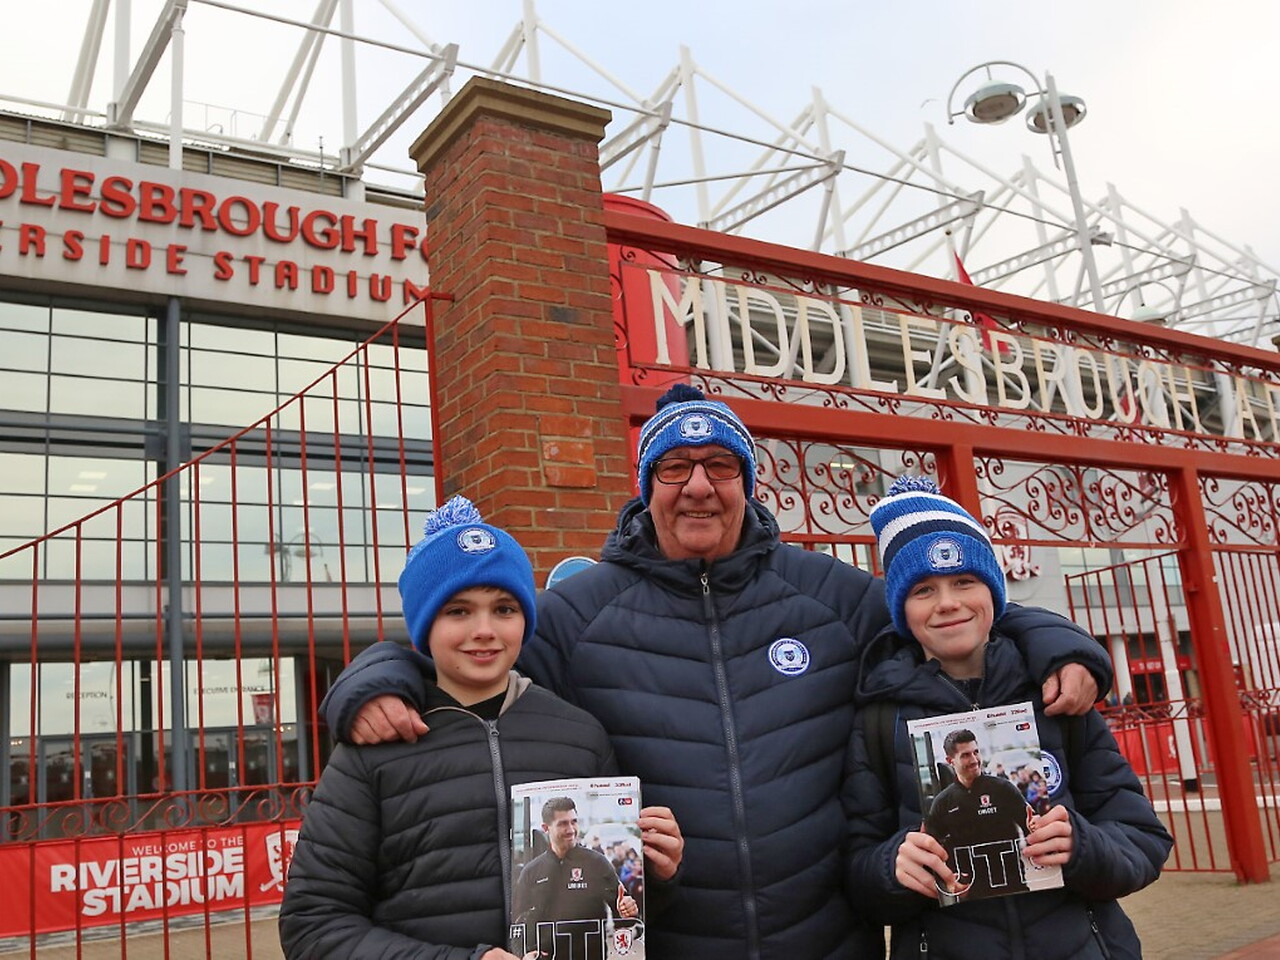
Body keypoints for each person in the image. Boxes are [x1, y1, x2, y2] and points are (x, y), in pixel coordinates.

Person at [321, 385, 1112, 960]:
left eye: (720, 465)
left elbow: (952, 622)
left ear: (746, 483)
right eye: (674, 467)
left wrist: (1058, 643)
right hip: (672, 942)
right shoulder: (577, 613)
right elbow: (469, 664)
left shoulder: (833, 596)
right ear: (647, 488)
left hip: (827, 940)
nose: (699, 485)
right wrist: (376, 676)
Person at [277, 496, 682, 960]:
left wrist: (656, 875)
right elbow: (313, 925)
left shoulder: (580, 735)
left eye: (504, 609)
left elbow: (621, 914)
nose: (485, 629)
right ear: (425, 623)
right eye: (459, 611)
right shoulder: (376, 746)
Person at [843, 475, 1172, 959]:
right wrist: (892, 867)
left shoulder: (1057, 695)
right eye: (923, 590)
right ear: (901, 610)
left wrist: (1082, 846)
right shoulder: (879, 719)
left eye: (964, 581)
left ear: (994, 592)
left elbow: (1144, 840)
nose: (948, 603)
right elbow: (855, 872)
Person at [923, 729, 1036, 900]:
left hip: (1013, 887)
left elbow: (1031, 828)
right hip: (970, 895)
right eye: (965, 755)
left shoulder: (1003, 789)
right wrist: (949, 876)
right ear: (950, 761)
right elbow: (932, 848)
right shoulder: (943, 802)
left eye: (976, 752)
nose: (974, 760)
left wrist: (1037, 827)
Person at [511, 796, 638, 929]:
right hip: (546, 943)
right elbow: (517, 920)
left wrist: (628, 910)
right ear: (546, 828)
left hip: (591, 942)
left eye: (574, 822)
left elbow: (625, 916)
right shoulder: (531, 871)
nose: (571, 830)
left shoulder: (597, 863)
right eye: (563, 824)